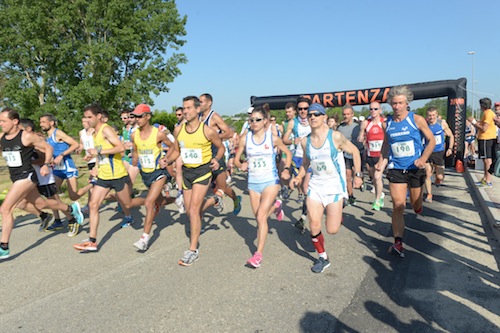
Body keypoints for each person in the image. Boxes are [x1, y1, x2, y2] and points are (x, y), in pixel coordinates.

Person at [0, 108, 83, 259]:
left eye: (4, 121)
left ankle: (4, 247)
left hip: (27, 177)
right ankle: (69, 209)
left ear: (15, 121)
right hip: (16, 177)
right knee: (41, 204)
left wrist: (45, 164)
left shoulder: (26, 136)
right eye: (0, 121)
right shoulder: (2, 137)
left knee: (5, 209)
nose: (1, 124)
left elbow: (48, 147)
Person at [291, 103, 362, 273]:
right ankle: (323, 257)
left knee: (332, 229)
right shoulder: (305, 141)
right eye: (310, 115)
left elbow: (355, 152)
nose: (312, 117)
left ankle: (338, 211)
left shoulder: (335, 137)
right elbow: (306, 163)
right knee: (314, 225)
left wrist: (358, 175)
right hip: (316, 186)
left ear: (324, 117)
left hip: (334, 187)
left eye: (316, 114)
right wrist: (299, 177)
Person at [375, 85, 435, 258]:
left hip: (415, 168)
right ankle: (398, 243)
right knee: (398, 204)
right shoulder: (388, 123)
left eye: (400, 103)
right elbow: (386, 145)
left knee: (416, 205)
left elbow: (431, 141)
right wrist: (382, 160)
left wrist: (423, 159)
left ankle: (418, 206)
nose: (397, 107)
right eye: (394, 103)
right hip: (396, 168)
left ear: (406, 103)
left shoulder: (416, 119)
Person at [234, 104, 292, 268]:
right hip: (253, 183)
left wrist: (286, 169)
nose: (254, 123)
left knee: (260, 217)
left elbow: (287, 153)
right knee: (259, 218)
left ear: (265, 121)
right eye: (251, 120)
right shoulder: (245, 139)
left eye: (257, 120)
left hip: (270, 182)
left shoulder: (272, 138)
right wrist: (240, 165)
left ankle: (258, 254)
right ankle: (277, 206)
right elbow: (237, 159)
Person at [73, 103, 134, 252]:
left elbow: (120, 148)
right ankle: (92, 241)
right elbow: (100, 154)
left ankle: (151, 203)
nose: (87, 120)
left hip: (117, 174)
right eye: (85, 117)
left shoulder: (106, 129)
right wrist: (95, 166)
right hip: (103, 175)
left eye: (90, 117)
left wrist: (98, 150)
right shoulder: (94, 133)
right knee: (93, 204)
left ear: (99, 116)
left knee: (128, 203)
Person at [174, 96, 225, 266]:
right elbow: (175, 151)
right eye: (184, 108)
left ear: (197, 109)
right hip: (187, 172)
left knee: (194, 210)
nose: (185, 111)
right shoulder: (178, 130)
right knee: (190, 211)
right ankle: (215, 199)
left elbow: (221, 147)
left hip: (203, 171)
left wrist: (217, 159)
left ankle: (193, 250)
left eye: (188, 108)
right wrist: (166, 159)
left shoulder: (207, 131)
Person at [128, 104, 179, 251]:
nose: (136, 119)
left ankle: (144, 238)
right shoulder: (134, 135)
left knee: (149, 202)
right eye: (134, 116)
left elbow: (175, 147)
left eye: (139, 116)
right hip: (146, 173)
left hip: (159, 172)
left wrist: (167, 160)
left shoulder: (158, 134)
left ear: (148, 117)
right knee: (160, 201)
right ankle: (177, 198)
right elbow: (135, 149)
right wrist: (135, 158)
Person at [39, 113, 91, 233]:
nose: (41, 124)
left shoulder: (58, 133)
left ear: (51, 123)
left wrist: (61, 155)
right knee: (52, 195)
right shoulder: (47, 137)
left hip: (67, 168)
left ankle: (92, 184)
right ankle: (57, 220)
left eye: (43, 122)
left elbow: (75, 144)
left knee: (73, 196)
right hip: (57, 170)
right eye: (40, 122)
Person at [198, 93, 241, 215]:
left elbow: (228, 133)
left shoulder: (214, 117)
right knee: (203, 188)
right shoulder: (198, 117)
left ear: (209, 103)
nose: (199, 104)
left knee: (222, 187)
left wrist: (213, 138)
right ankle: (198, 218)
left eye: (201, 102)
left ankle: (236, 198)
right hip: (203, 156)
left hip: (216, 155)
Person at [282, 97, 312, 231]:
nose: (303, 111)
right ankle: (306, 215)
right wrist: (293, 140)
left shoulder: (314, 120)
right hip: (298, 158)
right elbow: (284, 139)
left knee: (306, 188)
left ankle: (304, 217)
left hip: (312, 159)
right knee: (303, 187)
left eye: (305, 108)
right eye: (300, 109)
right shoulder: (292, 123)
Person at [358, 102, 386, 211]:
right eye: (371, 109)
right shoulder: (365, 123)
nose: (373, 111)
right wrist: (361, 137)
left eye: (375, 109)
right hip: (370, 154)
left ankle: (377, 200)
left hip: (382, 155)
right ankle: (380, 195)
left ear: (380, 110)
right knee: (374, 177)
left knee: (378, 176)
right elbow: (361, 135)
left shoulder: (384, 123)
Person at [423, 107, 454, 203]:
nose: (431, 117)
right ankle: (429, 194)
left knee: (440, 176)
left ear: (436, 115)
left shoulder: (441, 123)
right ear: (427, 116)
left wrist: (450, 148)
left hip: (439, 151)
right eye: (429, 115)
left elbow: (451, 135)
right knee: (428, 173)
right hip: (427, 151)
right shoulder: (424, 124)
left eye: (433, 115)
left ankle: (437, 179)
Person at [337, 104, 362, 205]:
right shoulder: (340, 128)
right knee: (347, 176)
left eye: (348, 114)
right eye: (344, 114)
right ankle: (351, 195)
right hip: (345, 154)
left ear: (352, 114)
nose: (346, 116)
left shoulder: (358, 127)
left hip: (357, 154)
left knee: (355, 172)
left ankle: (360, 180)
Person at [468, 98, 496, 188]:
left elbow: (484, 128)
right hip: (485, 138)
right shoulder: (488, 113)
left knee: (487, 159)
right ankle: (485, 178)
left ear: (483, 105)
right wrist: (477, 122)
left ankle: (488, 180)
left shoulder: (488, 114)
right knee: (485, 159)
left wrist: (474, 122)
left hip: (486, 138)